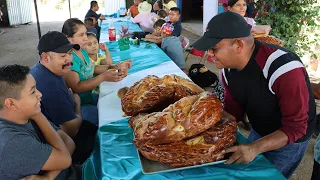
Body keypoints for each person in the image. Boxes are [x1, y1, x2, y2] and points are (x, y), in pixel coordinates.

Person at [192, 11, 316, 179]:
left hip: (290, 139)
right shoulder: (227, 70)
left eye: (214, 49)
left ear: (238, 45)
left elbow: (296, 127)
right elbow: (232, 113)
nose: (210, 54)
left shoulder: (283, 68)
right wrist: (197, 125)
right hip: (260, 129)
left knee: (266, 175)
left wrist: (255, 147)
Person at [30, 31, 97, 164]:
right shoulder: (50, 86)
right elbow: (71, 130)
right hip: (63, 146)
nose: (69, 59)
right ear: (45, 57)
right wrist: (77, 104)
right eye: (62, 56)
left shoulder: (44, 69)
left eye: (70, 53)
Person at [0, 64, 75, 179]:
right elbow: (65, 159)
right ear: (11, 103)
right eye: (33, 91)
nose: (40, 94)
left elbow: (69, 143)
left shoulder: (29, 114)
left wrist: (48, 177)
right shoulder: (12, 143)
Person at [62, 18, 131, 112]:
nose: (85, 38)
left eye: (85, 33)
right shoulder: (69, 58)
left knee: (122, 101)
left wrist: (115, 67)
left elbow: (92, 68)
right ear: (68, 38)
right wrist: (103, 77)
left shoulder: (82, 50)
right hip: (80, 105)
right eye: (81, 35)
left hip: (90, 97)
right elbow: (76, 88)